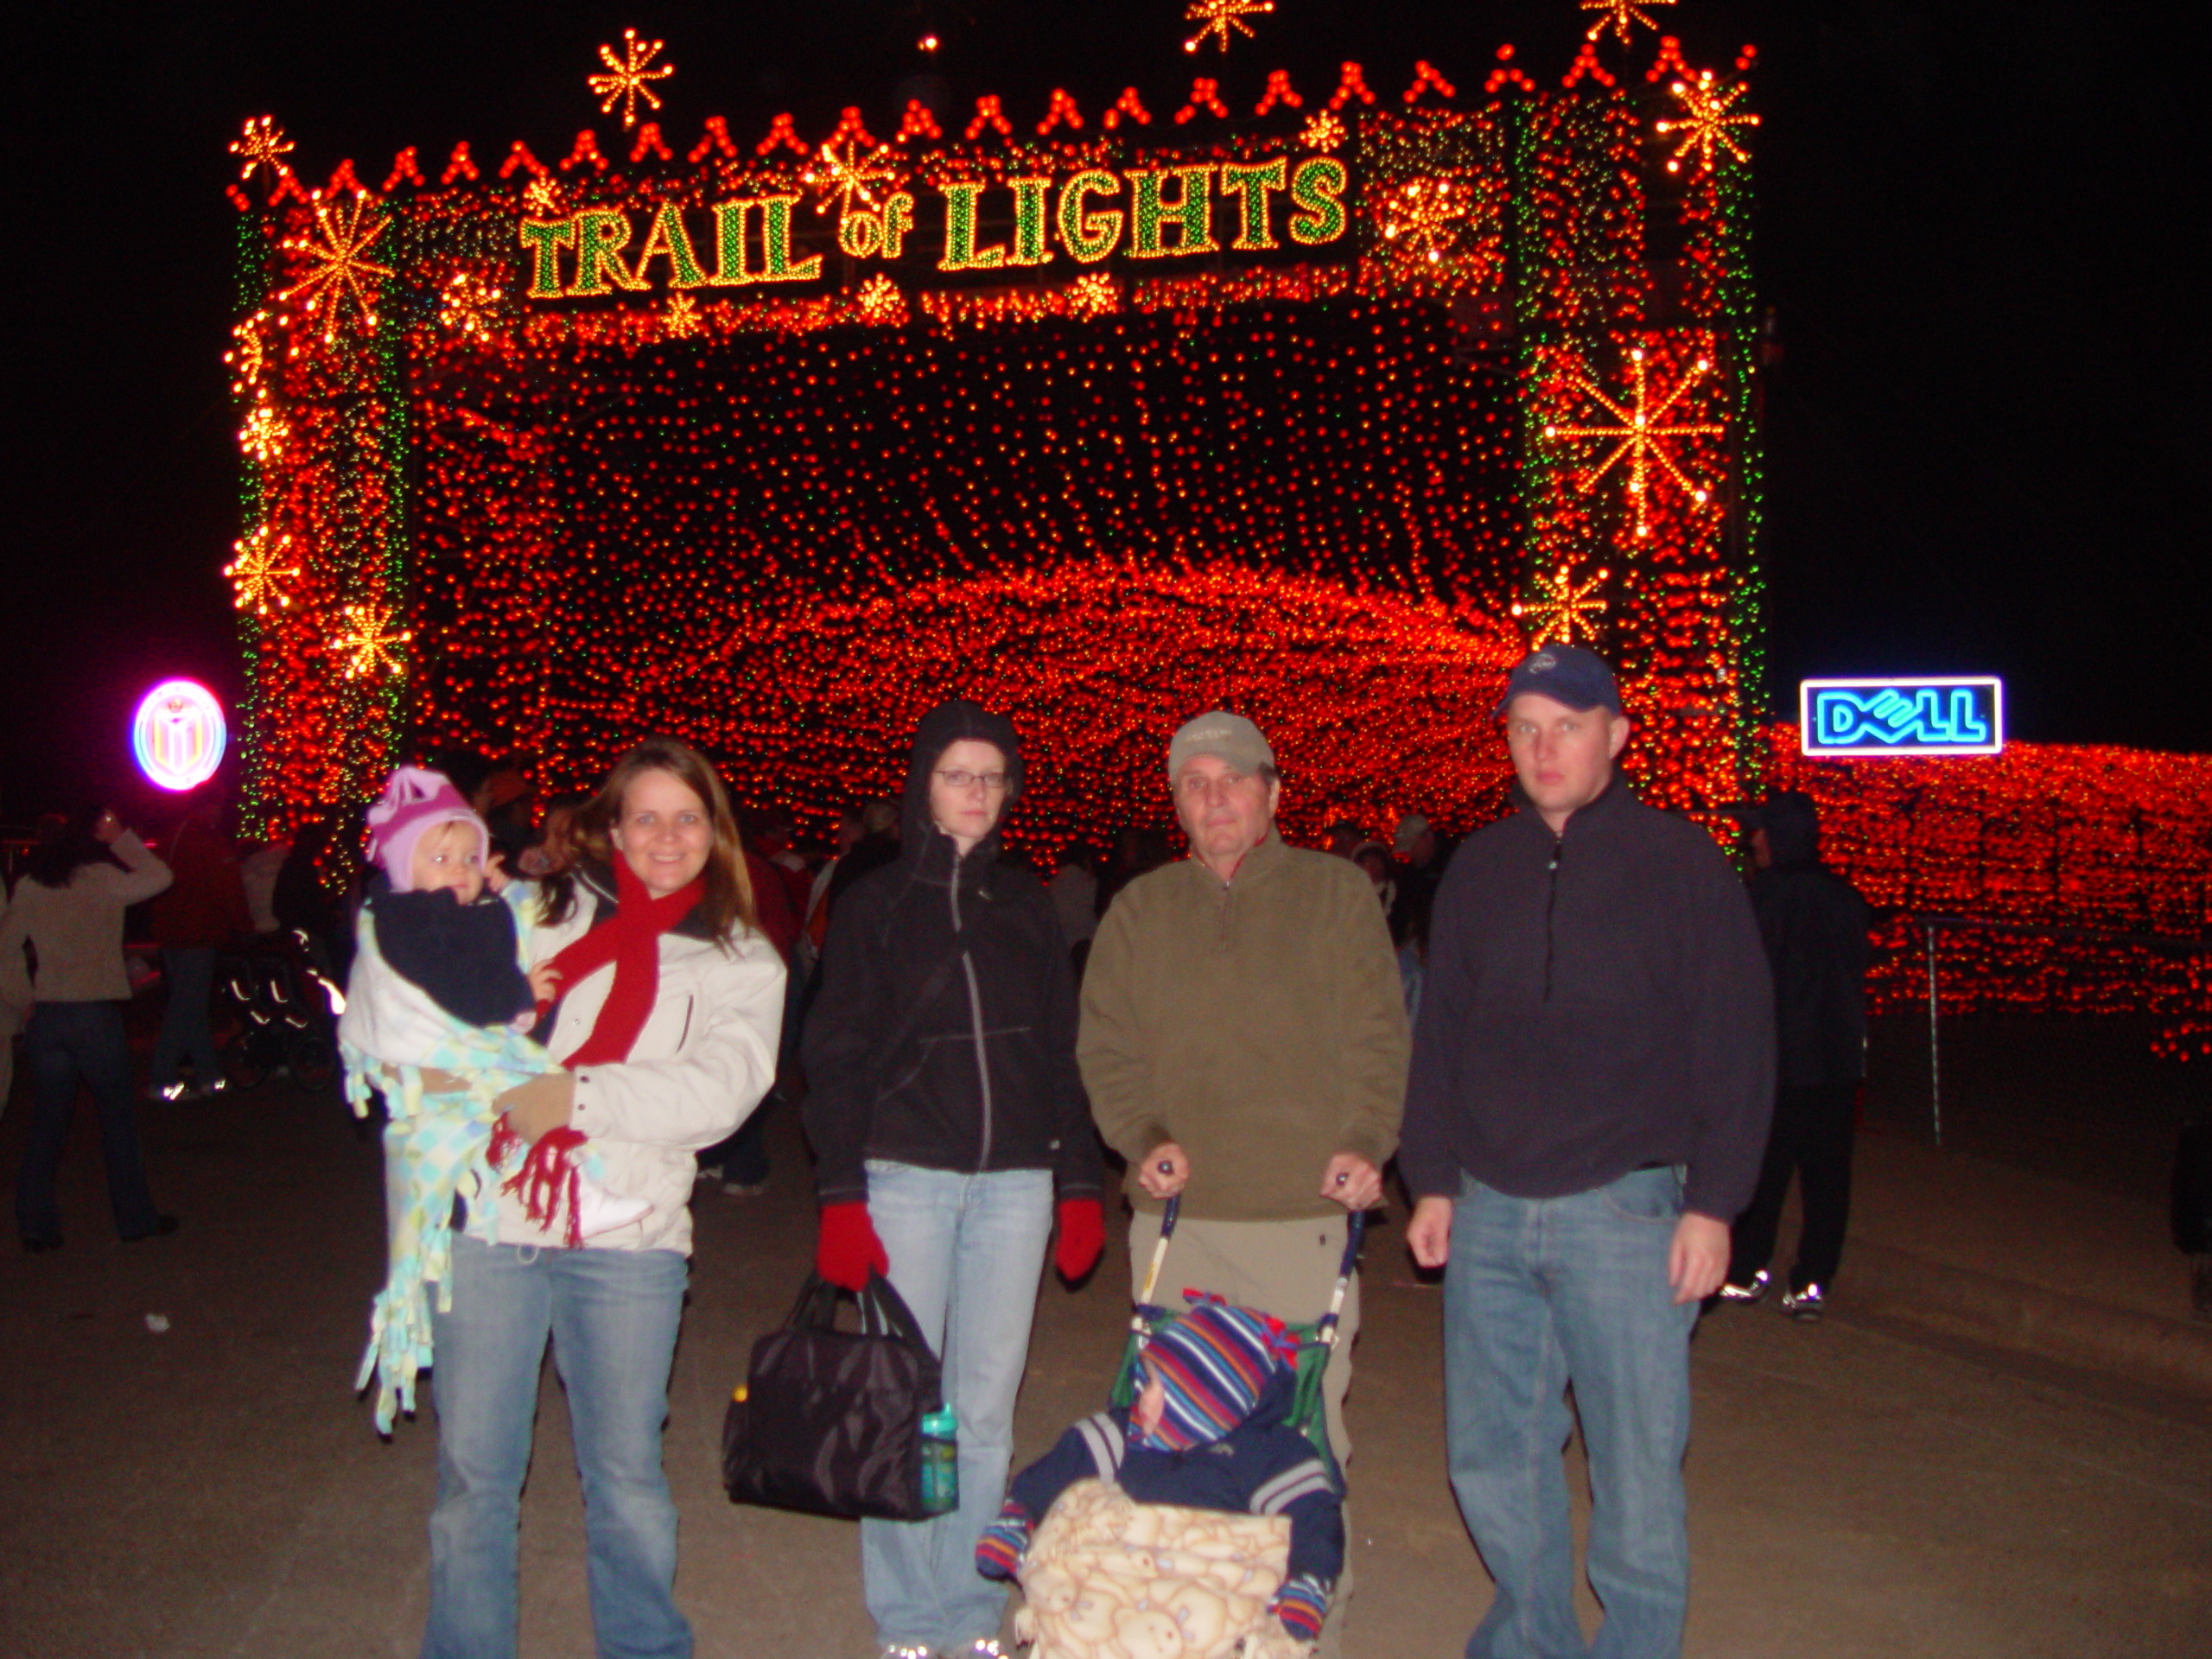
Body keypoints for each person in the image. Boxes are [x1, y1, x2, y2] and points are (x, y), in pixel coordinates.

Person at [1402, 644, 1774, 1659]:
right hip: (1486, 1210)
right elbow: (1439, 1037)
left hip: (1626, 1210)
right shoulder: (1480, 867)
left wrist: (1716, 1205)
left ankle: (1637, 1644)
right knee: (1492, 1454)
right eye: (1524, 727)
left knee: (1637, 1462)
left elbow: (1738, 1043)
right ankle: (1529, 1638)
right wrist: (1431, 1180)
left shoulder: (1682, 864)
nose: (1543, 746)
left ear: (1615, 734)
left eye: (1566, 724)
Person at [416, 737, 784, 1659]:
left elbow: (721, 1092)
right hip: (496, 1218)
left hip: (630, 1237)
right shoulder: (535, 911)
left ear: (715, 833)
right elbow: (437, 1009)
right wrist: (445, 903)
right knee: (475, 1479)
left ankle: (642, 1647)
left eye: (687, 818)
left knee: (624, 1477)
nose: (667, 837)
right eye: (646, 816)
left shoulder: (741, 959)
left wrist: (578, 1097)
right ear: (610, 825)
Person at [1077, 711, 1408, 1656]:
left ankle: (1307, 1635)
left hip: (1303, 1222)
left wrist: (1362, 1138)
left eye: (1232, 779)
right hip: (1179, 1226)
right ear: (1174, 800)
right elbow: (1106, 1047)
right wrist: (1139, 1136)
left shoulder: (1335, 894)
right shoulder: (1141, 910)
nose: (1213, 796)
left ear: (1271, 791)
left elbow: (1378, 1037)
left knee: (1303, 1446)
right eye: (1193, 782)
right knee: (1169, 1439)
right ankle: (1191, 1633)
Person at [803, 699, 1105, 1659]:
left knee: (981, 1408)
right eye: (955, 774)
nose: (975, 792)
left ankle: (971, 1607)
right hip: (907, 1182)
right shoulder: (874, 903)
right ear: (921, 784)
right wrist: (841, 1195)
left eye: (990, 776)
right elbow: (836, 1054)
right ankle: (906, 1615)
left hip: (1014, 1186)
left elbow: (1063, 1053)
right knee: (907, 1403)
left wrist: (1080, 1186)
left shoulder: (1025, 903)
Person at [338, 766, 651, 1433]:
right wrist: (521, 1001)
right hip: (446, 1066)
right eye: (440, 857)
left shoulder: (436, 906)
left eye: (469, 858)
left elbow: (498, 922)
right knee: (530, 1105)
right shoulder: (412, 920)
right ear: (400, 865)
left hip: (451, 1074)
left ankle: (569, 1193)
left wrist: (505, 884)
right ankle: (577, 1196)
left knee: (528, 1114)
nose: (458, 871)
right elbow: (462, 987)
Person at [975, 1297, 1344, 1650]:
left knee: (1238, 1592)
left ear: (1203, 1396)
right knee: (1079, 1519)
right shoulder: (1130, 1434)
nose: (1141, 1397)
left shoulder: (1265, 1452)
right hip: (1121, 1580)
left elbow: (1313, 1517)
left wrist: (1309, 1578)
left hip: (1206, 1581)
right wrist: (1019, 1513)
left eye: (1157, 1387)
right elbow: (1062, 1467)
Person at [1718, 789, 1872, 1319]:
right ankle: (1813, 1278)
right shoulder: (1845, 897)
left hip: (1782, 1058)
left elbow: (1740, 978)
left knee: (1766, 1167)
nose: (1752, 839)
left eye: (1760, 830)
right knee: (1828, 1175)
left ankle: (1747, 1269)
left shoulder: (1763, 898)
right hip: (1836, 1059)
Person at [3, 807, 179, 1249]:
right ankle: (134, 1219)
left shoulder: (29, 886)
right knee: (116, 1121)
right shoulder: (101, 878)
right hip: (95, 1014)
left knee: (47, 1122)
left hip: (50, 1014)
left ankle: (36, 1226)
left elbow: (5, 953)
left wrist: (25, 1001)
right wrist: (121, 838)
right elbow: (161, 876)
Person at [147, 791, 252, 1101]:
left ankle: (211, 1077)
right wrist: (244, 928)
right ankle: (161, 1079)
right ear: (210, 808)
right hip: (200, 933)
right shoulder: (210, 842)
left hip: (170, 932)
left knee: (189, 1007)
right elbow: (229, 889)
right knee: (185, 1008)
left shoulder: (169, 840)